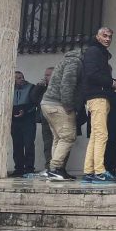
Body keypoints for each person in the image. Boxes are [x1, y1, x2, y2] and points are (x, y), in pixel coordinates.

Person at [81, 27, 116, 183]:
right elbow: (92, 75)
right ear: (97, 36)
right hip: (97, 97)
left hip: (98, 97)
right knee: (101, 135)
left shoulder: (97, 52)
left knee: (95, 135)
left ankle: (89, 171)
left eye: (110, 36)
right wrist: (113, 83)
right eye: (104, 36)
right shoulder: (94, 52)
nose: (107, 39)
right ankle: (99, 171)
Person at [40, 49, 84, 181]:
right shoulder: (74, 62)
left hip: (49, 104)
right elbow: (67, 84)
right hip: (58, 104)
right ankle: (55, 168)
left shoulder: (66, 61)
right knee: (68, 137)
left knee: (58, 138)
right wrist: (68, 105)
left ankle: (55, 169)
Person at [10, 71, 37, 176]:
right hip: (14, 121)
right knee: (17, 145)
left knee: (29, 144)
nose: (21, 79)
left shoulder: (31, 87)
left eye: (22, 77)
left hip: (28, 120)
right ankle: (19, 169)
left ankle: (29, 168)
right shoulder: (8, 89)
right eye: (18, 78)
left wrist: (24, 111)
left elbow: (35, 103)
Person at [30, 67, 54, 171]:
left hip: (58, 118)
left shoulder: (60, 86)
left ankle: (59, 167)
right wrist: (39, 86)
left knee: (60, 143)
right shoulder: (43, 88)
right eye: (45, 75)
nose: (45, 77)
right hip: (45, 119)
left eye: (48, 75)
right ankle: (49, 167)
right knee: (48, 144)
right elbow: (33, 98)